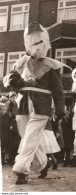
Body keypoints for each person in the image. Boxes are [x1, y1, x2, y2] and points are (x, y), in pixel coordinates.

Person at [3, 22, 65, 184]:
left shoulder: (51, 66)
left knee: (29, 137)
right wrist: (11, 80)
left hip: (41, 106)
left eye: (39, 42)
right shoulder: (22, 62)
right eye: (32, 42)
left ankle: (22, 169)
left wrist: (60, 110)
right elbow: (9, 78)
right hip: (22, 105)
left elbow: (58, 91)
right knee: (27, 138)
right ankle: (43, 163)